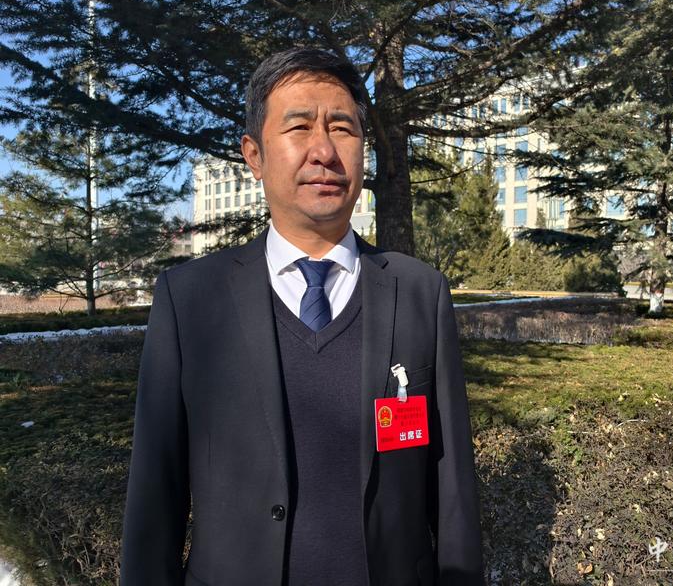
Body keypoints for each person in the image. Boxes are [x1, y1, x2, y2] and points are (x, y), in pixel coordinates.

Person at [120, 48, 485, 586]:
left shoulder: (419, 291)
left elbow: (451, 491)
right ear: (254, 155)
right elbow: (156, 492)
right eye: (298, 127)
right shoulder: (190, 298)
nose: (324, 152)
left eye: (342, 128)